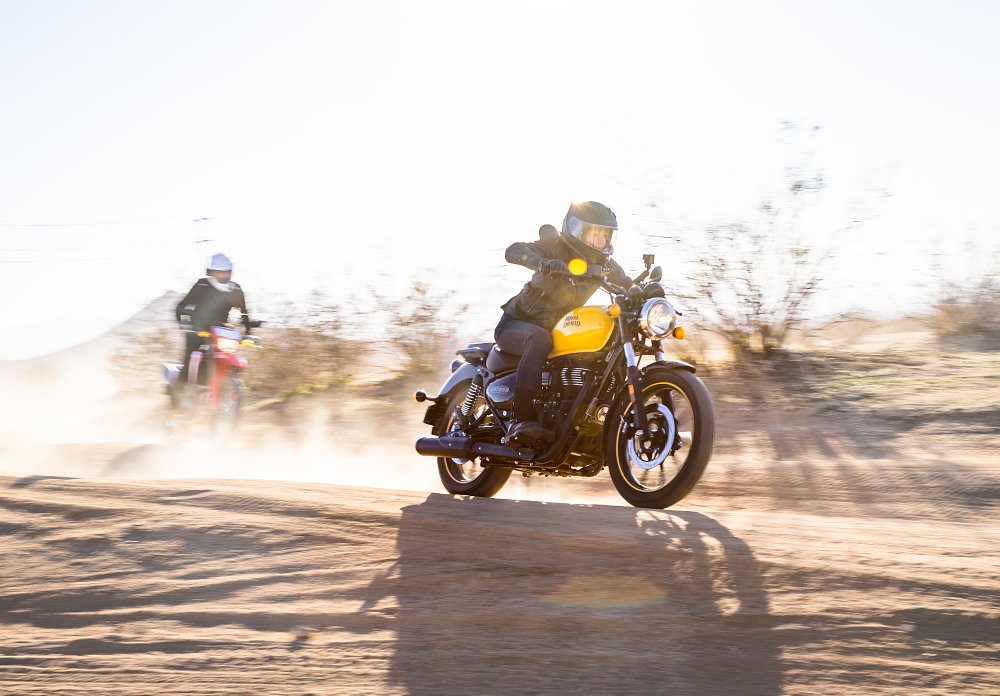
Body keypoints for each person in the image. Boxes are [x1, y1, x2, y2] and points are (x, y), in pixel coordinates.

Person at [497, 201, 632, 445]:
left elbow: (628, 284)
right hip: (516, 324)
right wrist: (542, 263)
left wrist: (648, 295)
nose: (601, 241)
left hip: (559, 330)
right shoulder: (555, 246)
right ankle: (520, 420)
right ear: (577, 229)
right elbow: (513, 250)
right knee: (539, 339)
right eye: (596, 234)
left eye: (605, 235)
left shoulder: (604, 265)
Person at [173, 252, 255, 390]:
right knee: (189, 360)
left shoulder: (235, 289)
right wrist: (184, 323)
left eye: (226, 272)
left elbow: (244, 312)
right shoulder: (202, 285)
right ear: (211, 271)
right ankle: (178, 402)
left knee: (228, 355)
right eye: (219, 272)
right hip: (197, 330)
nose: (223, 275)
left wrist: (248, 331)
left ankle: (224, 388)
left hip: (221, 331)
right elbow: (181, 306)